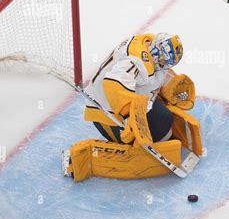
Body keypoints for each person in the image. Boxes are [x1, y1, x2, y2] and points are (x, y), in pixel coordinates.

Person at [63, 33, 202, 181]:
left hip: (131, 101)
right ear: (155, 49)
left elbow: (155, 74)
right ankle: (88, 157)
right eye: (162, 59)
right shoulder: (137, 61)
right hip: (108, 115)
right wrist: (130, 115)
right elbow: (113, 82)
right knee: (157, 132)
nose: (163, 63)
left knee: (165, 120)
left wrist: (171, 85)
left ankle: (140, 124)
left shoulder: (149, 47)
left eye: (167, 62)